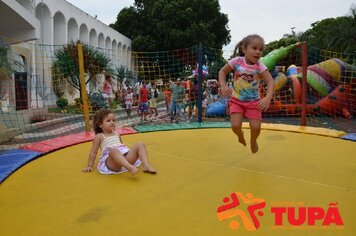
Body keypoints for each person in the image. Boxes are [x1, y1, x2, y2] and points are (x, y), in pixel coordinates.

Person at [219, 34, 274, 153]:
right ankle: (240, 135)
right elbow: (222, 72)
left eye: (260, 49)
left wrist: (268, 98)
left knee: (256, 127)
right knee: (235, 126)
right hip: (236, 100)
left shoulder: (260, 66)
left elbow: (270, 81)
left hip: (254, 102)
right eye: (254, 48)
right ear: (244, 49)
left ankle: (253, 140)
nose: (258, 52)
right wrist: (223, 85)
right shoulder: (237, 61)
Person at [82, 109, 156, 175]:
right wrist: (89, 165)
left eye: (113, 120)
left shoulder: (116, 133)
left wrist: (136, 155)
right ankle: (130, 168)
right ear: (100, 124)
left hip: (125, 160)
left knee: (140, 144)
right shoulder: (99, 136)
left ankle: (146, 165)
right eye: (108, 121)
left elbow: (122, 147)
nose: (112, 122)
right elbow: (93, 152)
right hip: (113, 163)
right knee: (113, 150)